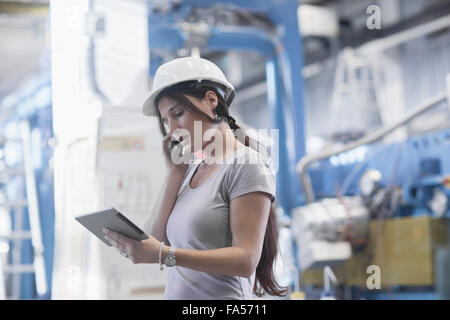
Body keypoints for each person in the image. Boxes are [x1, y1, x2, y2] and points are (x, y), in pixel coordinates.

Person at [102, 56, 287, 300]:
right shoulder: (191, 169)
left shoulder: (246, 165)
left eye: (177, 113)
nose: (173, 129)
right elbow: (154, 240)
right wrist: (174, 174)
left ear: (211, 100)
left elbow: (245, 260)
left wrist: (165, 255)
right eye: (166, 121)